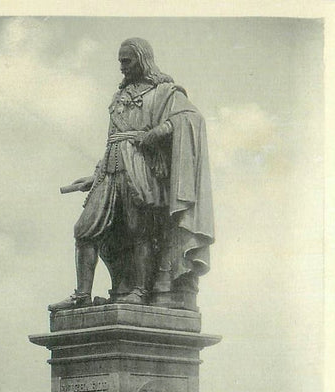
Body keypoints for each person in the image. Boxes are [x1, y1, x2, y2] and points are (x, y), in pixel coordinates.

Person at [49, 37, 214, 312]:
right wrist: (94, 176)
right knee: (84, 230)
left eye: (127, 61)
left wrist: (160, 131)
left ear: (142, 59)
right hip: (111, 169)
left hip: (141, 167)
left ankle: (139, 291)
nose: (122, 67)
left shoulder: (164, 92)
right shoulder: (119, 96)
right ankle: (81, 295)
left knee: (141, 231)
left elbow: (191, 118)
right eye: (120, 61)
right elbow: (112, 139)